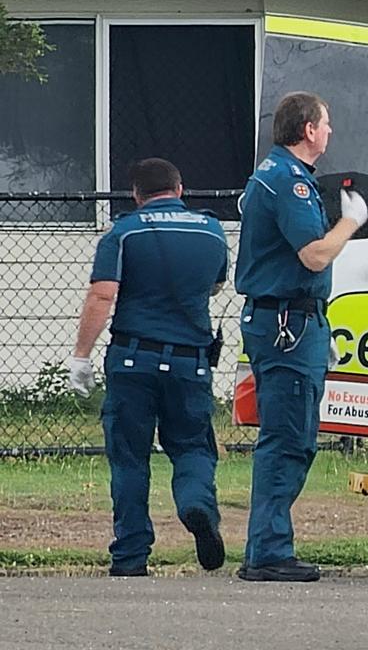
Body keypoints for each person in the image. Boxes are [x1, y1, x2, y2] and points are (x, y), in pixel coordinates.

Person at [66, 157, 229, 577]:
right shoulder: (212, 231)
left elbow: (102, 296)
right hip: (190, 362)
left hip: (133, 359)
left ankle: (131, 556)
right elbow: (213, 285)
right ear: (180, 189)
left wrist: (80, 357)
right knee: (193, 447)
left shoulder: (123, 233)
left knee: (129, 459)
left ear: (136, 195)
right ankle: (196, 504)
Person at [235, 91, 368, 582]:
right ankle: (269, 550)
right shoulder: (288, 182)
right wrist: (350, 222)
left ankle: (268, 544)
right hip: (287, 325)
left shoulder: (272, 177)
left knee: (291, 436)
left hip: (290, 321)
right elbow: (313, 255)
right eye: (326, 124)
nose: (330, 131)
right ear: (308, 130)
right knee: (288, 438)